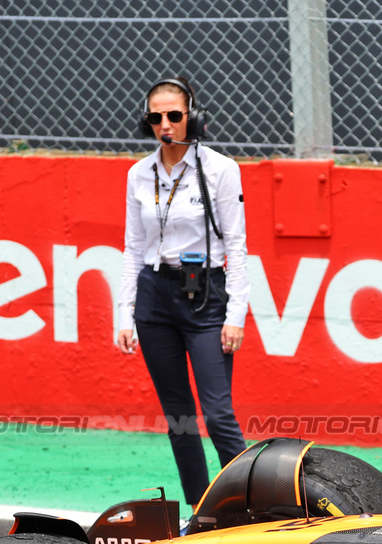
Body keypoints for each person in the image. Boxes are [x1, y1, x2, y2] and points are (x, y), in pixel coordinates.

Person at [117, 76, 250, 509]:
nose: (166, 125)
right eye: (156, 118)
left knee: (218, 414)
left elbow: (236, 246)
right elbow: (133, 247)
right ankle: (202, 510)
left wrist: (236, 315)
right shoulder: (139, 173)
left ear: (192, 115)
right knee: (179, 418)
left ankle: (253, 504)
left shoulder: (220, 169)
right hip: (154, 296)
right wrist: (125, 311)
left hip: (205, 294)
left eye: (175, 115)